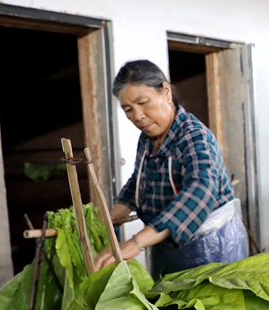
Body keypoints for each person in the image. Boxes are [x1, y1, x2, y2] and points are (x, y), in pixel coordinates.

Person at [94, 60, 247, 278]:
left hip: (211, 247)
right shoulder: (147, 139)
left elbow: (200, 191)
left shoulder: (194, 136)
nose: (137, 116)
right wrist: (110, 219)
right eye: (128, 109)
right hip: (165, 246)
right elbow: (139, 180)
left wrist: (135, 243)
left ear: (166, 92)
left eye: (143, 103)